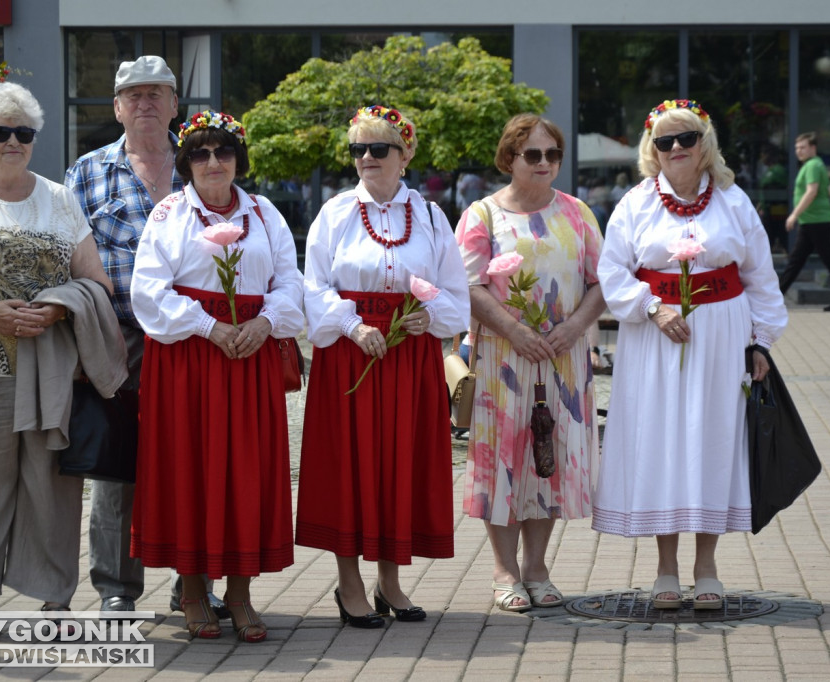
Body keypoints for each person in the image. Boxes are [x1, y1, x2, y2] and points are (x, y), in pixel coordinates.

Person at [592, 99, 787, 609]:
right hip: (656, 337)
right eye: (665, 141)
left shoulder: (734, 200)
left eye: (687, 138)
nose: (677, 148)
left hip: (723, 338)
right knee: (661, 438)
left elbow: (760, 277)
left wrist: (760, 340)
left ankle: (706, 566)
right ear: (651, 149)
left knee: (711, 437)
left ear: (705, 145)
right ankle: (665, 569)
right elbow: (612, 272)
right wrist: (652, 307)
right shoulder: (635, 202)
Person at [0, 82, 116, 639]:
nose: (13, 141)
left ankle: (56, 601)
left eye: (24, 132)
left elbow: (96, 281)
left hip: (51, 375)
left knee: (52, 492)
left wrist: (58, 309)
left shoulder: (60, 200)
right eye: (1, 132)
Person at [65, 55, 232, 618]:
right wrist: (84, 341)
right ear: (115, 108)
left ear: (175, 106)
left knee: (198, 461)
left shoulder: (204, 166)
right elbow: (65, 261)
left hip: (194, 340)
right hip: (121, 338)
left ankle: (195, 584)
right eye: (132, 95)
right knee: (118, 467)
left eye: (156, 93)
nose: (144, 103)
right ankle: (117, 588)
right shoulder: (86, 172)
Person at [129, 110, 303, 641]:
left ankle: (242, 592)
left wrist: (267, 321)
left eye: (223, 151)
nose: (212, 162)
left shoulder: (265, 213)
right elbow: (148, 291)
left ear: (238, 160)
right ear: (185, 161)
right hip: (188, 360)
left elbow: (289, 281)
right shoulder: (168, 215)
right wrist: (209, 327)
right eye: (200, 153)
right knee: (192, 468)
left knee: (247, 470)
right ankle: (191, 588)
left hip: (249, 357)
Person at [297, 105, 469, 628]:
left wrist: (429, 317)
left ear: (405, 154)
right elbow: (314, 286)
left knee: (400, 462)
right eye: (358, 150)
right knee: (349, 464)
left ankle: (389, 580)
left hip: (409, 356)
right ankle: (348, 584)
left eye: (378, 148)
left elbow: (454, 291)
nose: (366, 159)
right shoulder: (335, 213)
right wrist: (353, 327)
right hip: (351, 353)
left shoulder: (433, 215)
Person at [456, 113, 606, 612]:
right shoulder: (483, 214)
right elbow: (469, 285)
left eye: (553, 154)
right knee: (502, 463)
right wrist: (515, 330)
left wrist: (574, 328)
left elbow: (603, 282)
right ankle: (504, 570)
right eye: (533, 154)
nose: (545, 163)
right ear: (510, 158)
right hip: (504, 358)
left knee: (549, 460)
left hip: (563, 358)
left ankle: (538, 568)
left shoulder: (578, 213)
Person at [778, 132, 830, 312]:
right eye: (797, 148)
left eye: (803, 147)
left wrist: (794, 214)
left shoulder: (812, 165)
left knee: (810, 261)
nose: (799, 151)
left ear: (813, 148)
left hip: (816, 221)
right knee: (799, 261)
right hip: (815, 221)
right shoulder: (818, 165)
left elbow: (811, 191)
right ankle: (777, 298)